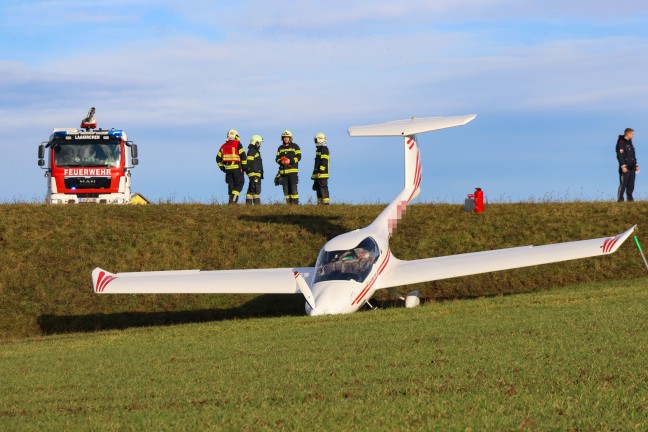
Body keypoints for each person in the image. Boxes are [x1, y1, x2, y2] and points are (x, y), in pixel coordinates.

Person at [216, 129, 247, 204]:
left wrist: (222, 168)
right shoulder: (237, 143)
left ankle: (231, 202)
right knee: (239, 184)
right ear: (236, 136)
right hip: (236, 168)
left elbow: (217, 158)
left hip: (228, 170)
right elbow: (243, 156)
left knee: (231, 185)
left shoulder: (223, 146)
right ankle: (233, 201)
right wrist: (244, 167)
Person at [275, 130, 301, 204]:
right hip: (283, 173)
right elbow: (276, 159)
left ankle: (295, 206)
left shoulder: (295, 146)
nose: (286, 139)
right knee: (286, 191)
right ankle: (289, 206)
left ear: (290, 138)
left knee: (293, 190)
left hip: (292, 173)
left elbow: (299, 157)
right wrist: (281, 161)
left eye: (287, 137)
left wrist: (290, 161)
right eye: (284, 137)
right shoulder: (280, 148)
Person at [616, 128, 639, 202]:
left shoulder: (630, 142)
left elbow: (632, 155)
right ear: (627, 134)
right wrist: (623, 166)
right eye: (632, 134)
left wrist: (636, 165)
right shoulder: (621, 143)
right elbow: (620, 155)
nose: (633, 135)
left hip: (632, 167)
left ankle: (630, 200)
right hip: (625, 167)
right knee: (623, 184)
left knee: (631, 185)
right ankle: (620, 200)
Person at [311, 132, 330, 205]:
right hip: (318, 174)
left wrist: (320, 171)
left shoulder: (324, 149)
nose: (315, 142)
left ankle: (325, 204)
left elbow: (324, 161)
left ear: (319, 140)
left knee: (323, 188)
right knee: (318, 189)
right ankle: (320, 204)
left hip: (322, 174)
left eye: (316, 140)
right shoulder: (319, 149)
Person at [245, 134, 264, 205]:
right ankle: (256, 206)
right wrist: (251, 173)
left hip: (256, 174)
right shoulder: (252, 151)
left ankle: (250, 206)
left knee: (253, 190)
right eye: (259, 143)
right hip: (254, 174)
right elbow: (249, 163)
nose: (260, 144)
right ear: (256, 142)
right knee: (255, 189)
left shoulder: (254, 151)